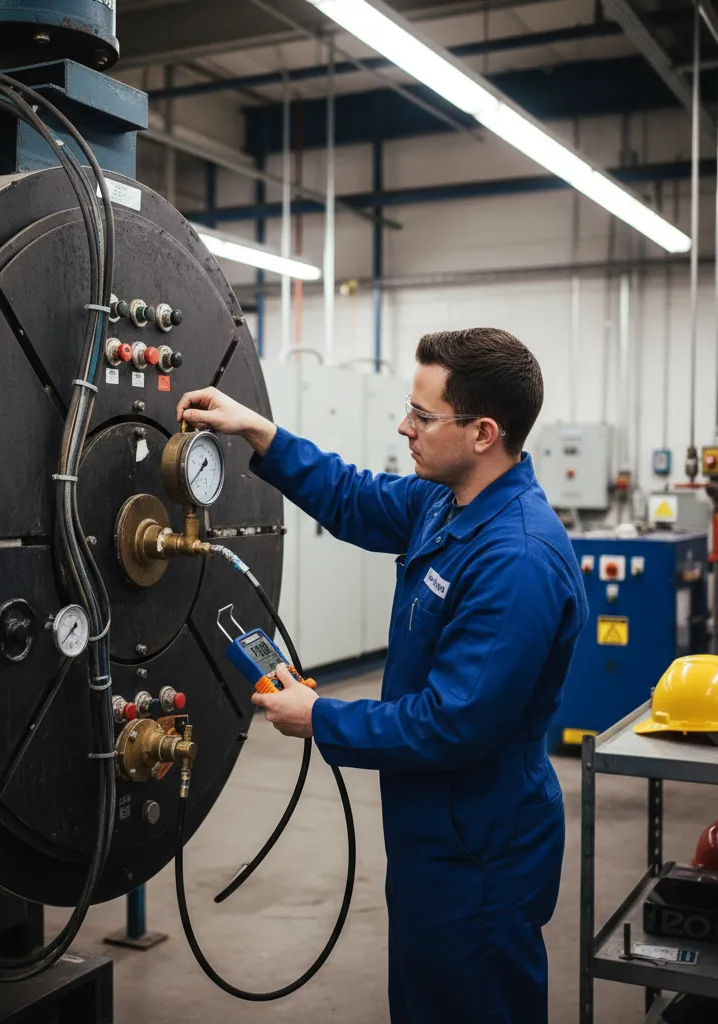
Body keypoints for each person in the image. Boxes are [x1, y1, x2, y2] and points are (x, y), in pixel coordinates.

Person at [177, 328, 588, 1024]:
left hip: (480, 849)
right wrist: (260, 433)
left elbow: (454, 722)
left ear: (484, 432)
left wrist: (321, 717)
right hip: (434, 834)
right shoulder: (446, 502)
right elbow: (353, 496)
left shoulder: (515, 559)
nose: (405, 427)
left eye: (423, 417)